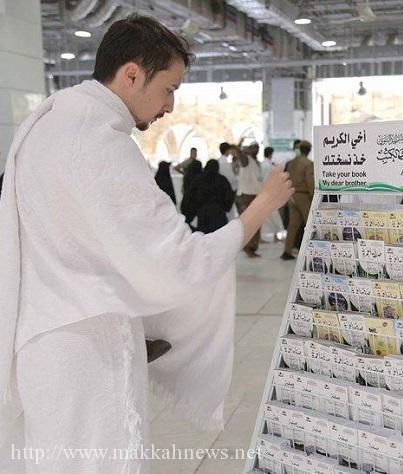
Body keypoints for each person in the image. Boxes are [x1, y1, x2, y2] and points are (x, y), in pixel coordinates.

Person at [0, 14, 293, 473]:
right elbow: (180, 261)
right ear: (132, 74)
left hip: (42, 345)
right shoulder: (98, 141)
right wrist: (264, 205)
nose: (170, 106)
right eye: (169, 88)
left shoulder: (49, 125)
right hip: (87, 353)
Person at [281, 140, 315, 260]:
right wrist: (314, 197)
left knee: (293, 225)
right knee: (310, 224)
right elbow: (310, 182)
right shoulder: (308, 163)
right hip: (303, 196)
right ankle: (314, 252)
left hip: (292, 195)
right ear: (309, 150)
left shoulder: (290, 163)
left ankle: (287, 251)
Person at [181, 159, 234, 233]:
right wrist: (225, 208)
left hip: (203, 215)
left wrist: (191, 214)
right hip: (218, 214)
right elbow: (229, 197)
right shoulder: (222, 180)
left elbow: (190, 198)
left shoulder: (198, 180)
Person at [237, 142, 263, 258]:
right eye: (253, 147)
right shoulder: (246, 159)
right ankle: (247, 247)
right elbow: (240, 156)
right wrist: (242, 149)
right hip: (247, 195)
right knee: (249, 222)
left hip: (255, 195)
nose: (256, 150)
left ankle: (252, 247)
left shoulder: (255, 161)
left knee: (256, 222)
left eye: (257, 148)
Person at [261, 146, 285, 242]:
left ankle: (273, 236)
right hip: (270, 191)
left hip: (264, 192)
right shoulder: (269, 165)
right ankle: (276, 235)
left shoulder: (263, 164)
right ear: (271, 154)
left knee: (268, 215)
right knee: (274, 214)